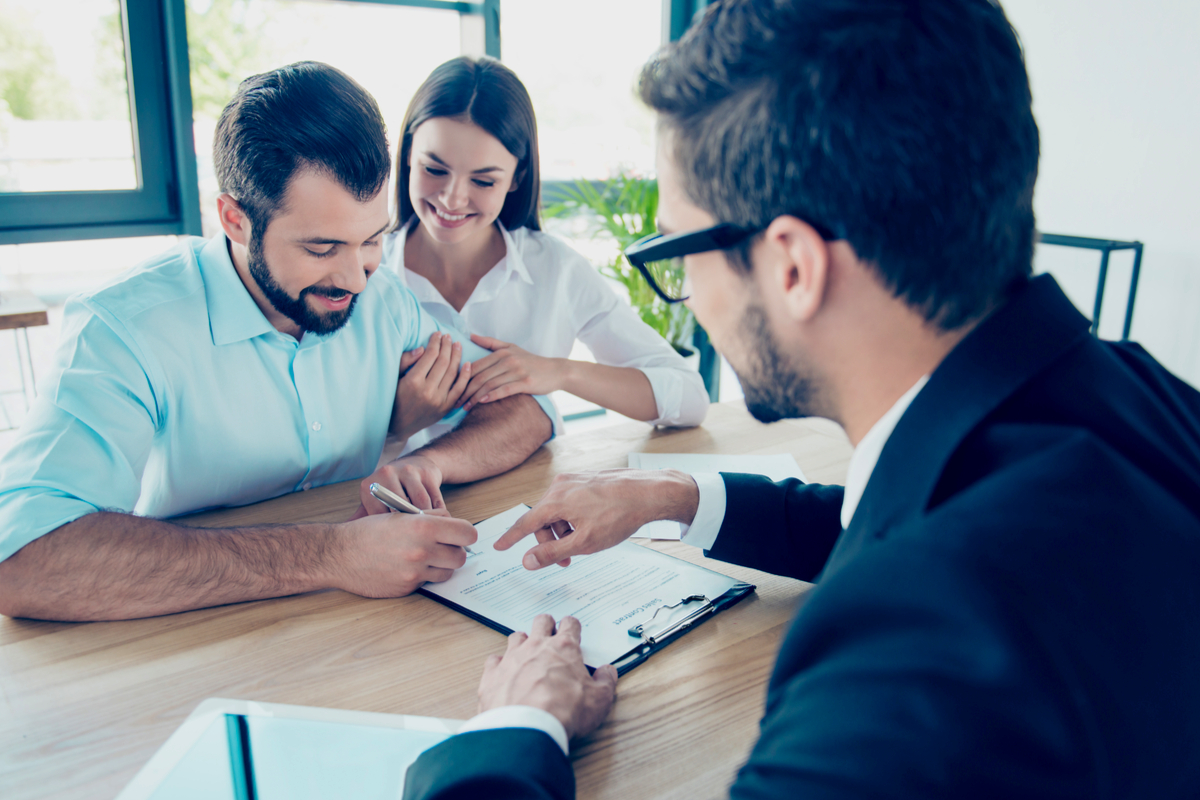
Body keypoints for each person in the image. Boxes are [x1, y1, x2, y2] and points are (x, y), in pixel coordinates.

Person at [400, 1, 1200, 797]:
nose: (688, 291)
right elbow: (890, 516)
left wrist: (518, 725)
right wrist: (670, 497)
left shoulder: (908, 660)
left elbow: (924, 573)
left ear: (792, 266)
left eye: (680, 249)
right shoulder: (1138, 399)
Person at [0, 62, 557, 623]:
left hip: (368, 626)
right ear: (235, 220)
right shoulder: (124, 328)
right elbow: (21, 557)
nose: (357, 278)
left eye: (371, 240)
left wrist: (431, 462)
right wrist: (330, 555)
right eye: (321, 249)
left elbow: (527, 408)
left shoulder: (385, 300)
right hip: (188, 631)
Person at [381, 57, 708, 454]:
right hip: (398, 501)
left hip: (530, 500)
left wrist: (559, 373)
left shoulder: (555, 269)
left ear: (517, 177)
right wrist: (397, 425)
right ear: (408, 155)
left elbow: (689, 397)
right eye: (434, 169)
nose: (452, 198)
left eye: (483, 180)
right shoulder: (366, 272)